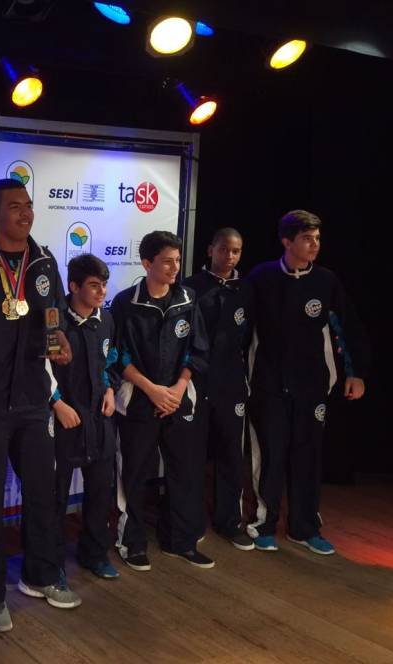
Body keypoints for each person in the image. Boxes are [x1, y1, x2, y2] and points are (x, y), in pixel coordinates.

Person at [0, 177, 80, 633]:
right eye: (14, 206)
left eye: (28, 205)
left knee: (43, 494)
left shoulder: (44, 260)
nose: (25, 213)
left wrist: (59, 341)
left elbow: (54, 314)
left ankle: (41, 576)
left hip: (33, 400)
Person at [246, 210, 367, 555]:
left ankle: (305, 527)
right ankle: (263, 523)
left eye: (317, 238)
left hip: (312, 386)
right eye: (306, 238)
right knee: (271, 456)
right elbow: (243, 331)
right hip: (269, 385)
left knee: (308, 456)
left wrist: (354, 373)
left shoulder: (326, 281)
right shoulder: (262, 277)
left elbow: (345, 328)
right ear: (287, 241)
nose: (314, 245)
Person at [110, 230, 213, 570]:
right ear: (146, 263)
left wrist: (179, 388)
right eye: (167, 261)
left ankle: (180, 541)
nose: (175, 268)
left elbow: (197, 349)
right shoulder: (126, 302)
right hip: (139, 401)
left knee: (184, 472)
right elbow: (118, 355)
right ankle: (132, 543)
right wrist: (152, 389)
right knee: (134, 474)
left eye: (178, 260)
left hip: (179, 400)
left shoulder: (188, 298)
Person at [182, 228, 255, 551]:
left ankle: (230, 522)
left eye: (236, 251)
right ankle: (191, 521)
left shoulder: (246, 289)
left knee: (231, 455)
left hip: (231, 384)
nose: (230, 256)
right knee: (193, 455)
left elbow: (251, 337)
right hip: (197, 382)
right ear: (210, 250)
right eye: (224, 249)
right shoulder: (191, 287)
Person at [51, 253, 120, 580]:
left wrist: (110, 390)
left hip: (98, 418)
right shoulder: (54, 322)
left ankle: (94, 553)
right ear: (74, 286)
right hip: (63, 418)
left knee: (100, 491)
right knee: (54, 496)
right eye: (94, 285)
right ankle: (51, 564)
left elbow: (111, 360)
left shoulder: (106, 320)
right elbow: (40, 369)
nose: (101, 291)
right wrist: (56, 404)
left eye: (104, 285)